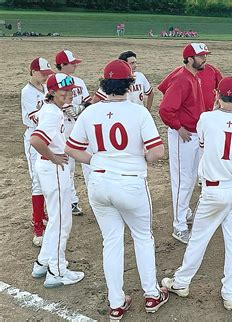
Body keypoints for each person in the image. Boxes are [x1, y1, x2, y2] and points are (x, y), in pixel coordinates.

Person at [65, 60, 169, 319]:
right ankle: (152, 295)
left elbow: (71, 148)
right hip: (131, 182)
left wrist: (96, 160)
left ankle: (116, 302)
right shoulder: (138, 112)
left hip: (99, 182)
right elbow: (157, 151)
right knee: (142, 238)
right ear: (129, 85)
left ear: (104, 83)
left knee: (111, 241)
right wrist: (139, 159)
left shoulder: (90, 112)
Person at [161, 77, 232, 311]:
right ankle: (229, 294)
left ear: (217, 96)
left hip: (213, 190)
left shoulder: (205, 118)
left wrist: (216, 109)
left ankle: (182, 282)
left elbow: (205, 147)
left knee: (199, 239)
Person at [30, 73, 85, 288]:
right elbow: (36, 140)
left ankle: (43, 262)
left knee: (55, 219)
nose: (69, 94)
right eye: (64, 91)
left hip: (49, 167)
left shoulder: (51, 109)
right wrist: (53, 156)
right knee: (62, 221)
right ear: (52, 92)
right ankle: (57, 271)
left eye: (71, 90)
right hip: (52, 167)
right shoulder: (53, 113)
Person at [158, 43, 208, 244]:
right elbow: (165, 109)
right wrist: (178, 126)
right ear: (189, 58)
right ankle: (178, 226)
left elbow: (163, 87)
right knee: (182, 180)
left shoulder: (188, 75)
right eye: (200, 56)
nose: (204, 59)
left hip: (193, 133)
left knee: (190, 176)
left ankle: (184, 210)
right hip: (184, 135)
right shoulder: (181, 78)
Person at [21, 57, 54, 246]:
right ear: (33, 72)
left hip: (47, 138)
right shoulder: (27, 92)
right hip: (34, 138)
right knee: (37, 181)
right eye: (43, 73)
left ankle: (42, 215)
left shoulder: (45, 88)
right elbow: (34, 118)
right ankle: (37, 226)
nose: (45, 77)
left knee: (46, 178)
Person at [55, 49, 91, 215]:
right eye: (72, 63)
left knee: (89, 164)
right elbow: (70, 110)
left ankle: (94, 198)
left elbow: (87, 105)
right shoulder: (53, 83)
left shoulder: (79, 81)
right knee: (67, 167)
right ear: (62, 65)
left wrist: (82, 108)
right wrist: (82, 108)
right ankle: (71, 201)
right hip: (64, 129)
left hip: (82, 128)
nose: (75, 65)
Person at [158, 45, 223, 112]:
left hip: (207, 115)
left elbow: (223, 88)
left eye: (205, 56)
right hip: (189, 118)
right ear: (190, 59)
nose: (204, 59)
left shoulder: (212, 70)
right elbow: (164, 89)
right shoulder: (180, 75)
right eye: (201, 56)